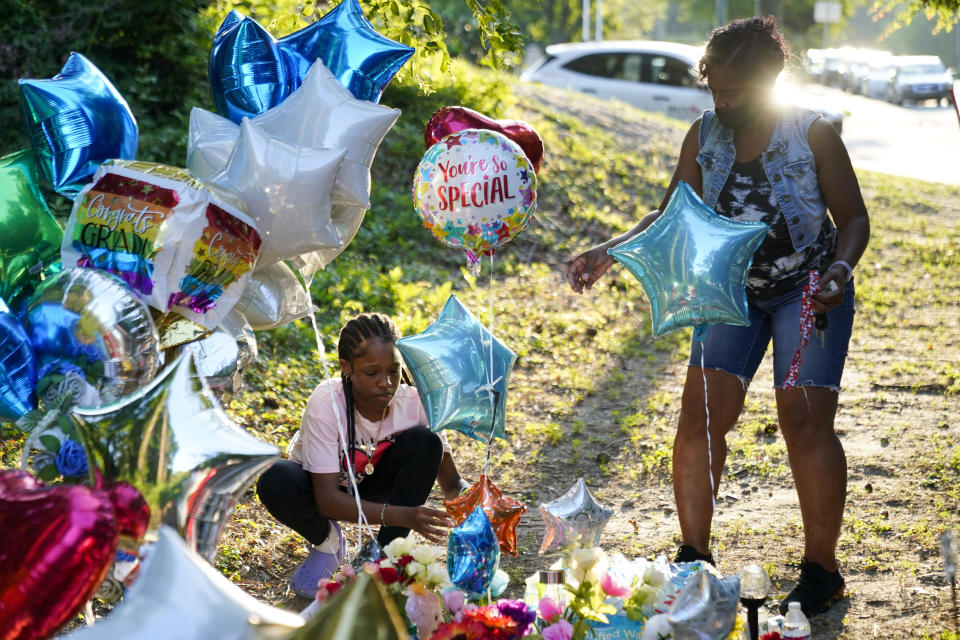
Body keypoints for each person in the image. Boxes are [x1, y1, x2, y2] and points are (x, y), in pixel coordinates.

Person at [566, 17, 869, 616]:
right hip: (731, 291)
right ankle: (694, 556)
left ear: (770, 80)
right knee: (701, 416)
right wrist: (610, 250)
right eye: (715, 91)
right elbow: (671, 214)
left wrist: (840, 270)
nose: (721, 102)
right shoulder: (704, 133)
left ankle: (820, 571)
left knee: (802, 418)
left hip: (809, 287)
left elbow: (853, 218)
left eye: (734, 93)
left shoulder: (812, 133)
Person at [256, 312, 470, 597]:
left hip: (374, 487)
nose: (386, 382)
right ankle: (328, 543)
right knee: (276, 480)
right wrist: (403, 515)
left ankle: (382, 557)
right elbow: (328, 499)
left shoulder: (415, 402)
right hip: (321, 490)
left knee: (427, 441)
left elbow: (452, 484)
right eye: (372, 373)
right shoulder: (327, 403)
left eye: (394, 371)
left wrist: (477, 504)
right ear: (347, 368)